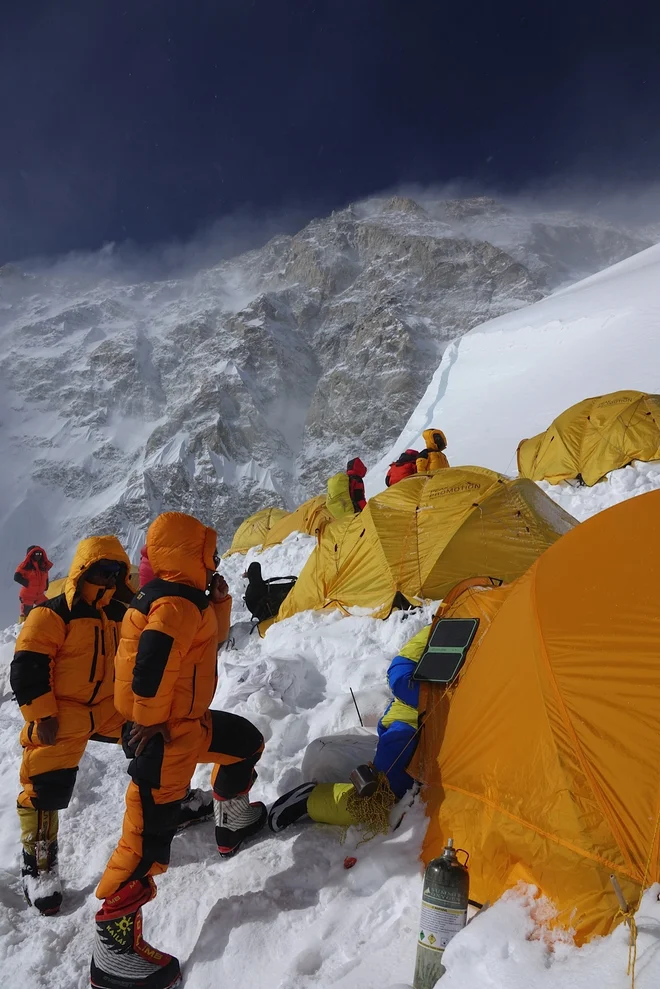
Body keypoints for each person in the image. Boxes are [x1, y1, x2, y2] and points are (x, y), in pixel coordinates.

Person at [90, 511, 266, 989]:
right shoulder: (174, 606)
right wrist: (147, 722)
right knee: (143, 847)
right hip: (164, 740)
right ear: (192, 552)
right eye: (209, 551)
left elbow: (202, 644)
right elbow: (151, 666)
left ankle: (232, 822)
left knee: (246, 743)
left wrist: (221, 601)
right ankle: (113, 955)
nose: (215, 558)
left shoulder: (186, 600)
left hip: (189, 727)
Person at [10, 536, 134, 916]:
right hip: (64, 713)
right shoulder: (52, 613)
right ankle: (39, 866)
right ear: (83, 571)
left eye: (117, 572)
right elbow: (28, 664)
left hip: (108, 707)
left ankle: (171, 805)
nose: (110, 580)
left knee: (155, 740)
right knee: (46, 784)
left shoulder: (119, 610)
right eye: (103, 571)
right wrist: (42, 714)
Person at [267, 624, 430, 833]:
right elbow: (400, 672)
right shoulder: (448, 626)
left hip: (453, 738)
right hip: (409, 725)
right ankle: (312, 799)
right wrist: (432, 698)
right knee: (382, 799)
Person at [14, 545, 53, 622]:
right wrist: (26, 583)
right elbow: (16, 576)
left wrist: (46, 584)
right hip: (27, 596)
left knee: (48, 608)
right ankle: (21, 630)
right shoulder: (25, 565)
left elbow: (46, 576)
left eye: (40, 554)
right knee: (26, 617)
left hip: (39, 595)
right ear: (31, 554)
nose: (39, 556)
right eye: (37, 554)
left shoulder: (43, 566)